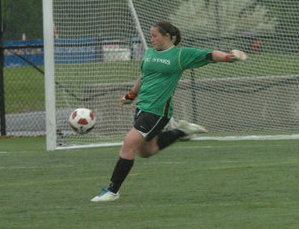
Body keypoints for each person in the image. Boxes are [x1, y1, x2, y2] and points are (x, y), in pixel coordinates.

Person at [91, 21, 248, 202]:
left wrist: (229, 57)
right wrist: (131, 95)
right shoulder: (150, 53)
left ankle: (112, 191)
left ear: (166, 36)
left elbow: (209, 54)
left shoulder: (180, 55)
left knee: (128, 145)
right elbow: (143, 75)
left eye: (155, 36)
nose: (151, 39)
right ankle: (181, 131)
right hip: (142, 108)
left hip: (158, 112)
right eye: (150, 36)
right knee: (146, 151)